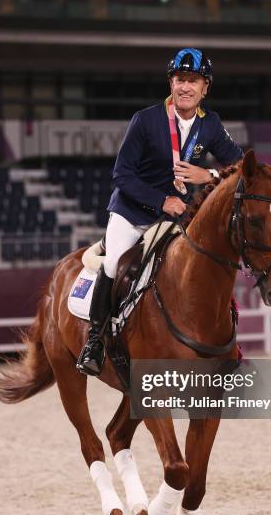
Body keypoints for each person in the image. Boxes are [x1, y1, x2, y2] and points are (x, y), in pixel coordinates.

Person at [76, 47, 244, 376]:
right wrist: (161, 201)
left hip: (175, 216)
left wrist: (207, 176)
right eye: (181, 79)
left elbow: (240, 166)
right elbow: (121, 175)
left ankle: (224, 345)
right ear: (171, 82)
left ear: (205, 87)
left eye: (193, 80)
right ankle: (95, 342)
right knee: (112, 265)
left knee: (202, 267)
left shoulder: (211, 125)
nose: (186, 87)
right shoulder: (146, 120)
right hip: (131, 213)